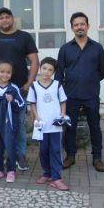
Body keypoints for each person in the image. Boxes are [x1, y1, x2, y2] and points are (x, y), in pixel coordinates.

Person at [0, 7, 39, 171]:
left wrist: (29, 83)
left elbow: (34, 61)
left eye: (7, 17)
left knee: (17, 125)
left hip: (18, 90)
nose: (4, 20)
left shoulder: (24, 37)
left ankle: (20, 155)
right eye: (1, 18)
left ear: (13, 19)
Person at [55, 12, 104, 172]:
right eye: (76, 24)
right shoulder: (65, 49)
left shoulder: (97, 48)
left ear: (88, 26)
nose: (79, 27)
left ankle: (97, 158)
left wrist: (91, 79)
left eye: (82, 24)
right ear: (72, 28)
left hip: (91, 94)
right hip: (70, 95)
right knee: (69, 127)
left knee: (95, 126)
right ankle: (70, 156)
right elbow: (59, 73)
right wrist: (59, 93)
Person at [27, 57, 69, 191]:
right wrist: (36, 117)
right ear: (40, 68)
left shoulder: (57, 85)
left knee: (56, 151)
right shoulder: (34, 86)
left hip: (55, 125)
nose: (46, 72)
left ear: (53, 72)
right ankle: (47, 173)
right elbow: (32, 103)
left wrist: (62, 114)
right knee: (43, 150)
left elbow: (63, 101)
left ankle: (57, 178)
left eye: (50, 70)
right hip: (42, 125)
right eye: (44, 68)